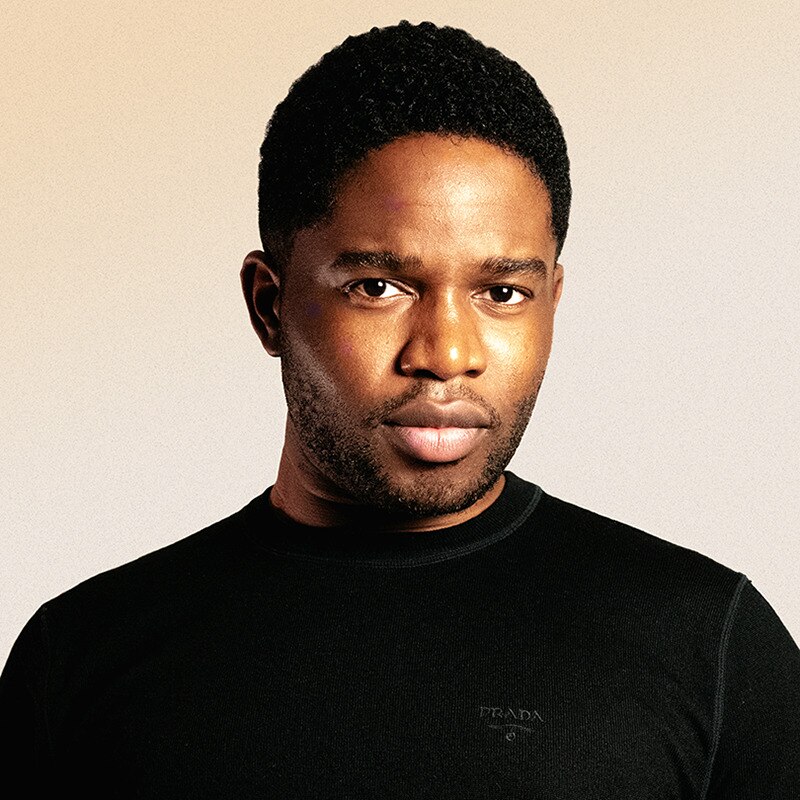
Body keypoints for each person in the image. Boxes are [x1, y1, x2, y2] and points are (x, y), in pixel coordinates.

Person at [1, 19, 798, 798]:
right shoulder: (81, 659)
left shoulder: (710, 646)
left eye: (502, 293)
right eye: (378, 287)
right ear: (270, 306)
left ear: (553, 301)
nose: (446, 353)